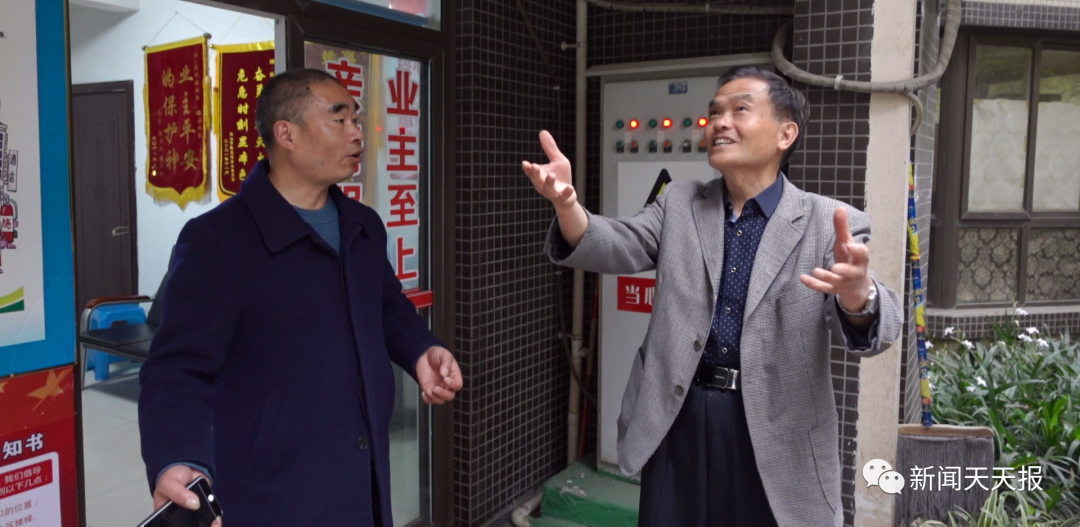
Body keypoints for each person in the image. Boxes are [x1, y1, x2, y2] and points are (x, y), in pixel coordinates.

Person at [523, 66, 903, 527]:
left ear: (785, 134)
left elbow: (880, 328)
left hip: (772, 430)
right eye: (715, 112)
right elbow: (618, 243)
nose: (720, 122)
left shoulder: (829, 221)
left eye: (740, 109)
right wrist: (567, 205)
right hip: (678, 415)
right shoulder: (680, 203)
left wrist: (858, 295)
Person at [139, 68, 462, 527]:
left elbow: (387, 305)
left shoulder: (363, 225)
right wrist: (176, 457)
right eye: (340, 119)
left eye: (356, 119)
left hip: (363, 477)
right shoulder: (219, 239)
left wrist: (420, 349)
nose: (357, 133)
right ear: (287, 134)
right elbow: (177, 368)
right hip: (274, 493)